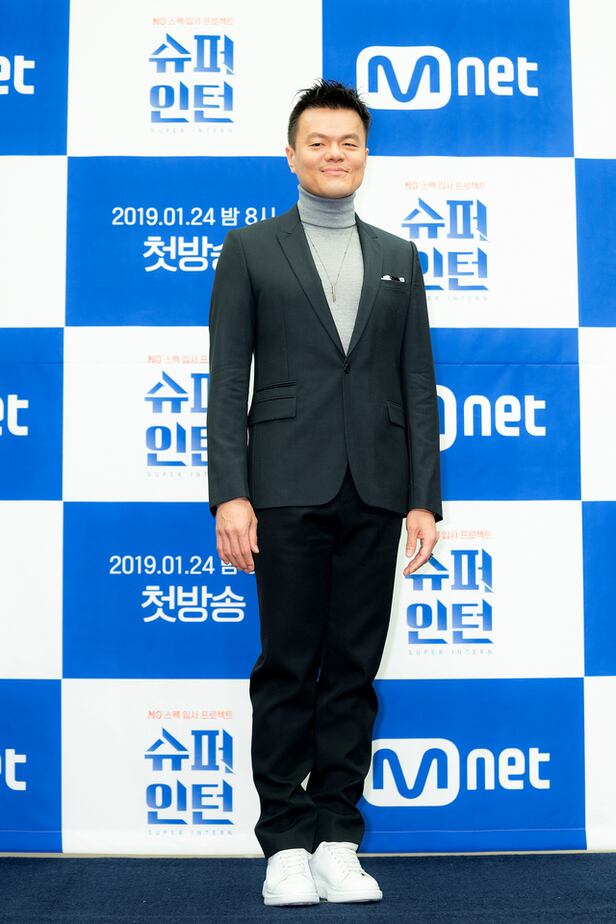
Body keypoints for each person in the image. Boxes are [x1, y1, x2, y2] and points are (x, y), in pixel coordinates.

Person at [207, 78, 442, 907]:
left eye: (349, 142)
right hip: (282, 487)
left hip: (376, 487)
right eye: (319, 142)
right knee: (286, 666)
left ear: (365, 154)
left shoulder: (399, 256)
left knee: (352, 669)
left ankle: (338, 840)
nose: (334, 154)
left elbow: (417, 384)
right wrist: (230, 494)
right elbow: (226, 380)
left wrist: (424, 497)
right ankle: (284, 845)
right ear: (291, 155)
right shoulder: (249, 249)